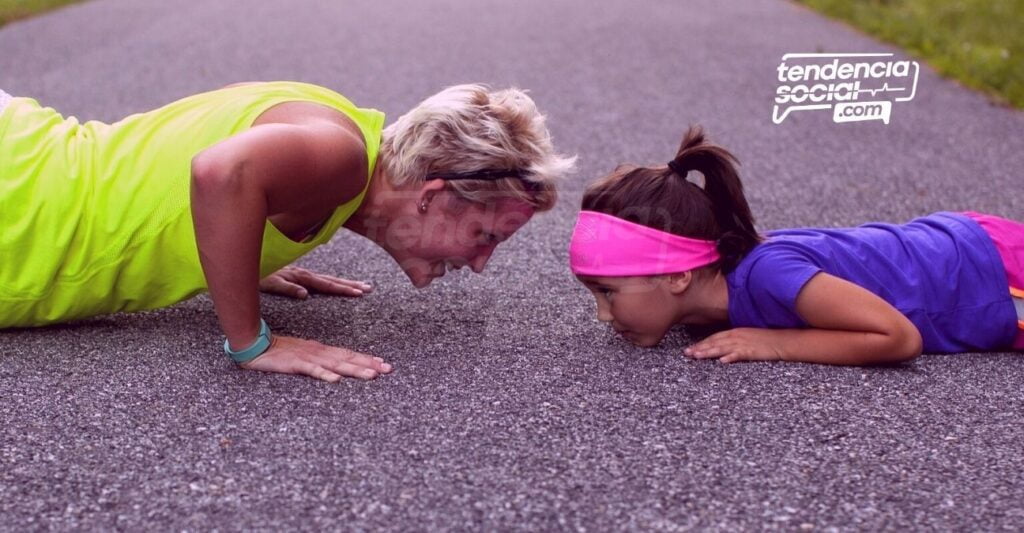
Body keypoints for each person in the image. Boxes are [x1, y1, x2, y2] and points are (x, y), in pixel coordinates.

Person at [0, 82, 575, 381]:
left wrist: (237, 250)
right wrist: (253, 342)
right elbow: (221, 171)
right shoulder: (342, 157)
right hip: (19, 205)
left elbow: (190, 164)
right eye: (486, 236)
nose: (480, 264)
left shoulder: (341, 133)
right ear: (433, 196)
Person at [568, 126, 1023, 365]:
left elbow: (898, 337)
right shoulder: (705, 303)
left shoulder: (768, 274)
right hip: (971, 247)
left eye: (609, 291)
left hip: (994, 274)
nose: (603, 314)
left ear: (677, 275)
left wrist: (776, 344)